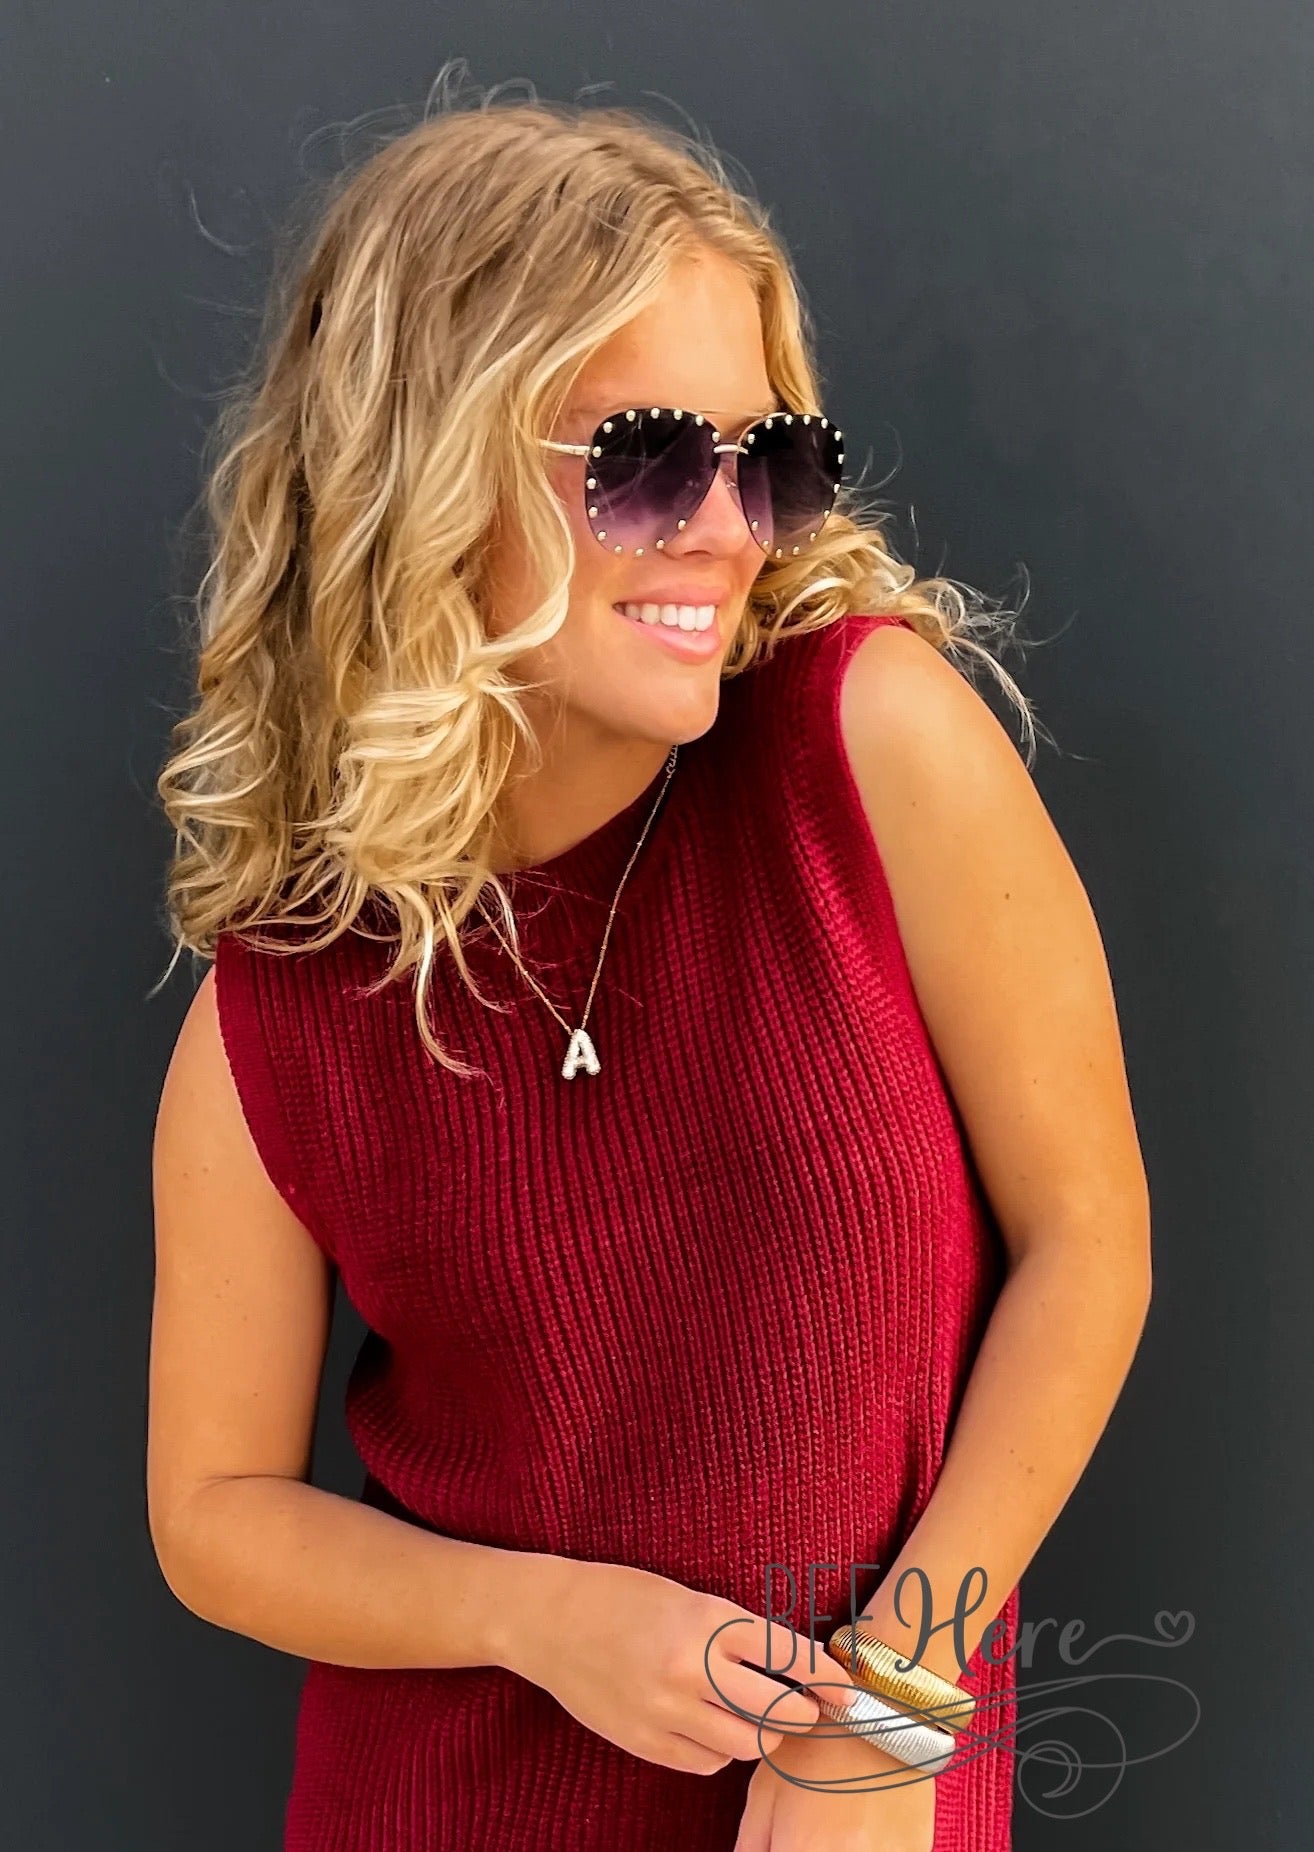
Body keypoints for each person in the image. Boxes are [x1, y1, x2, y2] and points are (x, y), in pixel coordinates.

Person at [147, 75, 1152, 1852]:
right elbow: (212, 1511)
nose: (727, 528)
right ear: (428, 470)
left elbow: (1088, 1244)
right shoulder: (281, 1000)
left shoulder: (866, 749)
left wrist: (889, 1718)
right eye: (644, 460)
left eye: (768, 459)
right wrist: (537, 1619)